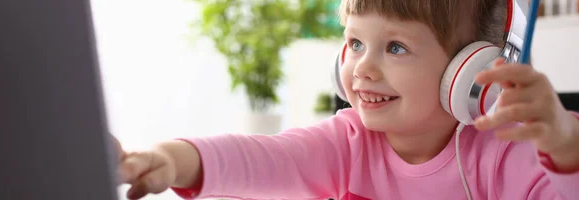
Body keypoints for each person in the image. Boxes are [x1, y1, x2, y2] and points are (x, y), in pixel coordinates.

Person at [114, 0, 579, 199]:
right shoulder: (348, 143)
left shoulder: (504, 153)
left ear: (469, 71)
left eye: (395, 47)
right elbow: (263, 158)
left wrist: (564, 143)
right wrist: (172, 160)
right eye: (355, 43)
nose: (362, 69)